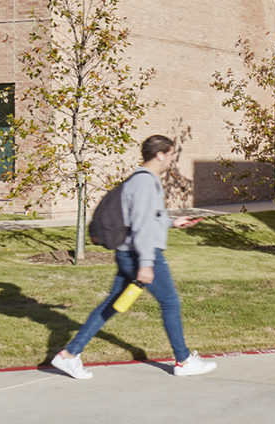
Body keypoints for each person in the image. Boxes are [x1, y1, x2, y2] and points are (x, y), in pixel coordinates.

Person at [50, 135, 214, 380]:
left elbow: (148, 218)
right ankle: (183, 360)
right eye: (170, 154)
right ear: (160, 154)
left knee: (110, 305)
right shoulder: (147, 183)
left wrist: (172, 222)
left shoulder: (138, 179)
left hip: (127, 253)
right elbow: (142, 225)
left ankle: (69, 356)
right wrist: (147, 264)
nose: (171, 159)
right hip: (142, 255)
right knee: (170, 302)